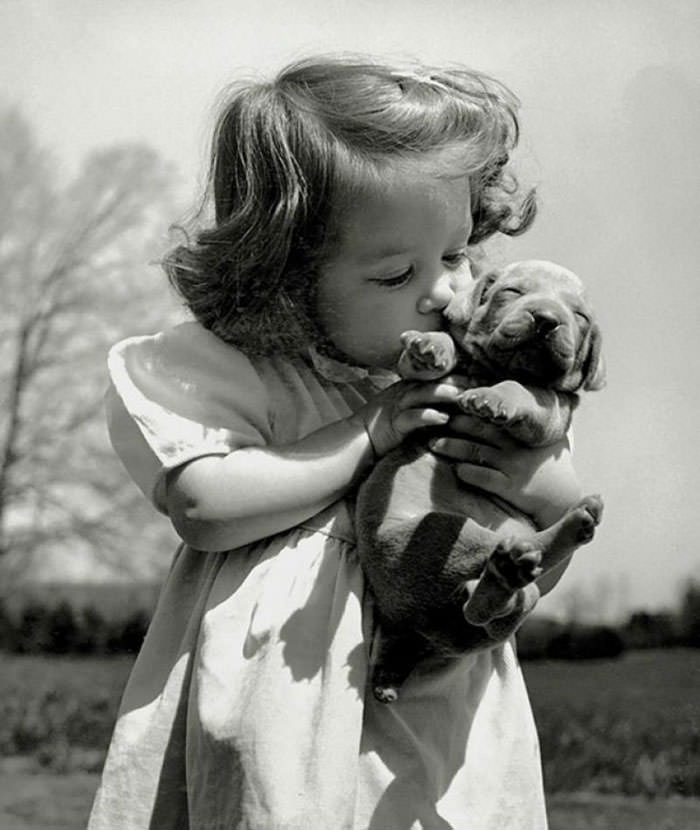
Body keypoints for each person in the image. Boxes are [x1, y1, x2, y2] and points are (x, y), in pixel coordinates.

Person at [88, 56, 582, 830]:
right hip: (284, 700)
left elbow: (546, 533)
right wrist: (367, 431)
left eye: (454, 255)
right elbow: (204, 504)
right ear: (287, 277)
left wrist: (532, 484)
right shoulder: (247, 373)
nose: (444, 290)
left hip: (439, 707)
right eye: (394, 275)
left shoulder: (473, 384)